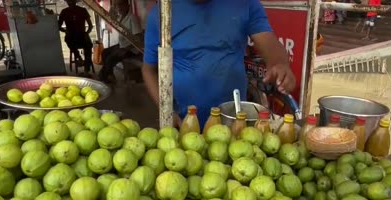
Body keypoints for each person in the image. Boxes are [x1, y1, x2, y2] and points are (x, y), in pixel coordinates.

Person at [142, 0, 296, 127]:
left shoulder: (244, 4)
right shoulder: (161, 14)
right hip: (184, 123)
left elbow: (269, 43)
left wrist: (280, 63)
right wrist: (168, 112)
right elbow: (149, 70)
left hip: (232, 122)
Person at [99, 0, 143, 84]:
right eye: (118, 6)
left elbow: (138, 38)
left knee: (111, 58)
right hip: (122, 45)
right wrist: (113, 7)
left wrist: (126, 49)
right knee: (105, 52)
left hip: (132, 49)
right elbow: (110, 17)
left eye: (122, 5)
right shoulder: (120, 18)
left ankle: (104, 77)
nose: (119, 7)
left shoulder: (132, 18)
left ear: (128, 6)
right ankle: (109, 75)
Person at [58, 0, 94, 73]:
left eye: (72, 1)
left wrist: (87, 33)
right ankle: (79, 58)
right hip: (71, 36)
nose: (70, 3)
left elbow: (90, 25)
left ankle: (86, 68)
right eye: (69, 1)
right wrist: (65, 31)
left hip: (82, 35)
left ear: (75, 1)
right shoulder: (64, 11)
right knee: (68, 40)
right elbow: (58, 26)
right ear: (67, 2)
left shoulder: (83, 10)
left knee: (89, 45)